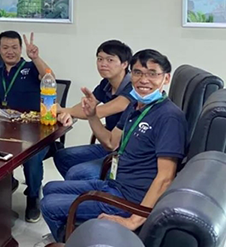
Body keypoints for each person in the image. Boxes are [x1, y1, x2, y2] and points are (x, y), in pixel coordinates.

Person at [40, 49, 187, 242]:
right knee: (49, 188)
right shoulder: (135, 106)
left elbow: (166, 178)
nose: (144, 80)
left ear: (166, 78)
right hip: (114, 184)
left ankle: (72, 240)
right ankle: (72, 235)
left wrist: (133, 220)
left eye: (152, 74)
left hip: (129, 199)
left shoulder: (169, 117)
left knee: (49, 204)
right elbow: (111, 142)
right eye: (138, 73)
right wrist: (92, 115)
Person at [0, 30, 54, 223]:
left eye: (14, 47)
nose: (10, 51)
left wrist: (36, 58)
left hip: (35, 128)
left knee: (31, 157)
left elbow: (50, 77)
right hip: (6, 126)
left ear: (21, 49)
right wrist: (0, 111)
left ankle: (33, 197)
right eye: (5, 47)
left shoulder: (30, 67)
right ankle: (7, 183)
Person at [54, 40, 134, 180]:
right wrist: (66, 111)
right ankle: (80, 190)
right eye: (100, 59)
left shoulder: (132, 88)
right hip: (107, 145)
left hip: (125, 151)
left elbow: (99, 111)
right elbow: (88, 105)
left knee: (77, 173)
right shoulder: (106, 83)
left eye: (110, 60)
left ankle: (97, 190)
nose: (103, 64)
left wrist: (64, 110)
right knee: (62, 156)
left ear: (124, 64)